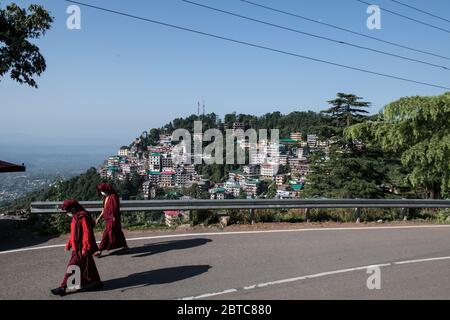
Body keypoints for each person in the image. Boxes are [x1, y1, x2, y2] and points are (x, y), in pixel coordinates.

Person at [51, 199, 102, 296]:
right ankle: (96, 282)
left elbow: (87, 233)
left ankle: (63, 287)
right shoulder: (75, 217)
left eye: (69, 211)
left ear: (74, 208)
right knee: (88, 265)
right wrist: (69, 244)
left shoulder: (83, 217)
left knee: (72, 266)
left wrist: (86, 248)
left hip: (81, 248)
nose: (68, 213)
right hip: (76, 247)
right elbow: (73, 234)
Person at [94, 182, 129, 257]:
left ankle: (99, 250)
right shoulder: (106, 197)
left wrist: (114, 218)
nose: (102, 193)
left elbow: (115, 209)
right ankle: (125, 247)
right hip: (108, 219)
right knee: (118, 233)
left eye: (103, 191)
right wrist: (98, 218)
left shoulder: (114, 197)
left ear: (108, 190)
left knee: (106, 234)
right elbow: (104, 210)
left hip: (113, 220)